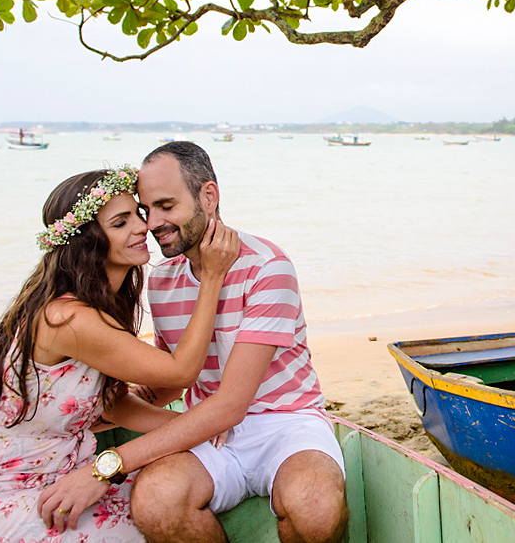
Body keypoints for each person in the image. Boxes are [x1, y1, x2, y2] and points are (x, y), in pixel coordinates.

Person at [42, 141, 348, 543]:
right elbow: (176, 372)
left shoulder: (268, 268)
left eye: (166, 206)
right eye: (146, 210)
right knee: (155, 500)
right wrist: (118, 403)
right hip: (208, 428)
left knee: (315, 505)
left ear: (208, 196)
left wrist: (110, 465)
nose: (151, 223)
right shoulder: (163, 279)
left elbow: (233, 403)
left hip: (284, 422)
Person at [0, 166, 239, 543]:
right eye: (121, 223)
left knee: (167, 500)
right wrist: (213, 278)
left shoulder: (98, 304)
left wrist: (189, 430)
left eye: (138, 213)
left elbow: (113, 405)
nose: (143, 227)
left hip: (54, 473)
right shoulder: (69, 319)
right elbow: (180, 372)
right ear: (89, 242)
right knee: (149, 523)